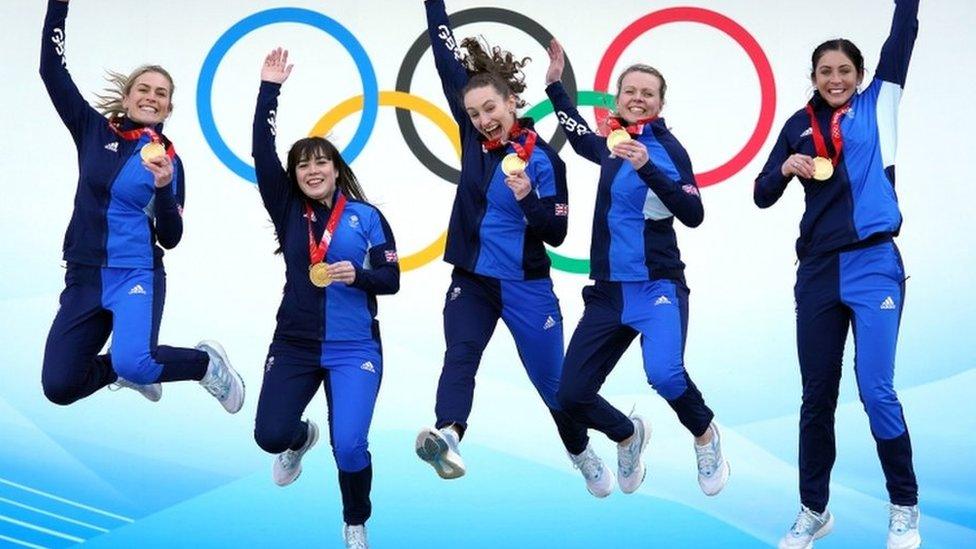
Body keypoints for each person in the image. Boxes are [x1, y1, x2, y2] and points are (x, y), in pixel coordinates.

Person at [413, 0, 603, 496]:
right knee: (461, 353)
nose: (481, 119)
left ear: (511, 104)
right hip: (472, 281)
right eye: (473, 112)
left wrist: (528, 200)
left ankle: (582, 453)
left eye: (490, 109)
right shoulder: (473, 139)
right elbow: (443, 53)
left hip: (527, 288)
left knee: (557, 391)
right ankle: (448, 434)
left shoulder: (544, 163)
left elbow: (556, 234)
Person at [753, 2, 921, 548]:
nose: (835, 79)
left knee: (876, 389)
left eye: (845, 70)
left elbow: (904, 30)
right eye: (825, 71)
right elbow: (761, 194)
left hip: (874, 264)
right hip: (819, 271)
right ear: (813, 78)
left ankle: (904, 506)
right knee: (817, 394)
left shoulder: (881, 103)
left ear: (861, 74)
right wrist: (784, 167)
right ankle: (813, 510)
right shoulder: (797, 126)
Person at [545, 39, 729, 498]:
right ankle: (627, 435)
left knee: (665, 375)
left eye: (648, 93)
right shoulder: (613, 142)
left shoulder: (666, 148)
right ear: (618, 98)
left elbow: (693, 213)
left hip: (656, 286)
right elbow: (580, 136)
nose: (638, 98)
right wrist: (554, 88)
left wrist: (649, 167)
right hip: (608, 292)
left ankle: (705, 436)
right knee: (570, 396)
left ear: (661, 103)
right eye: (630, 91)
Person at [39, 0, 243, 413]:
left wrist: (166, 188)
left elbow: (171, 237)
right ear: (129, 98)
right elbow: (51, 70)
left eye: (161, 94)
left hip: (135, 272)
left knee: (138, 359)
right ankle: (124, 371)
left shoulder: (168, 160)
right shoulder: (93, 130)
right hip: (84, 275)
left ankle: (204, 364)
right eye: (144, 89)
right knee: (59, 385)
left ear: (168, 108)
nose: (152, 97)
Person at [251, 48, 400, 549]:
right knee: (270, 435)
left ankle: (355, 519)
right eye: (303, 165)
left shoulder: (367, 217)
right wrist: (269, 88)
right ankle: (299, 439)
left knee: (351, 446)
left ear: (337, 169)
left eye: (322, 162)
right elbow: (259, 151)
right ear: (294, 176)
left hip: (354, 347)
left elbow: (392, 279)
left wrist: (358, 275)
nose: (313, 170)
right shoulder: (288, 211)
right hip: (294, 344)